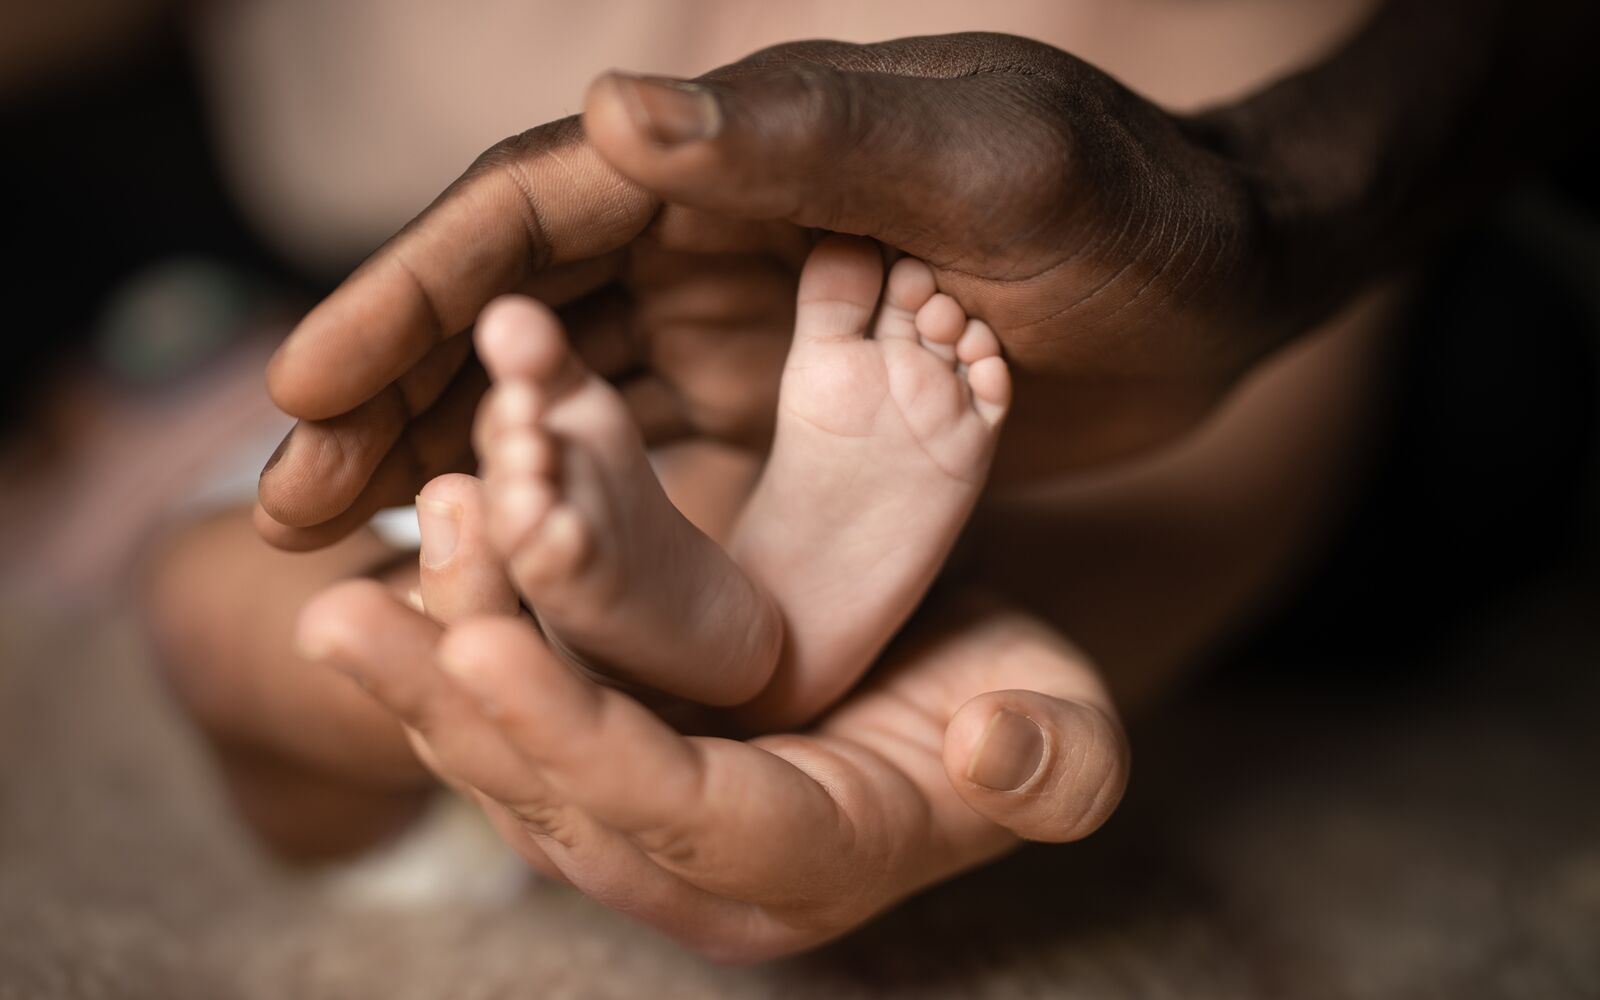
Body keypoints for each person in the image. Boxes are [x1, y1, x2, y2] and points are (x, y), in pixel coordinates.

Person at [149, 0, 1598, 961]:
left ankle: (684, 582)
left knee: (224, 608)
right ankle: (723, 584)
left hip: (1216, 314)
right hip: (1175, 411)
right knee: (374, 587)